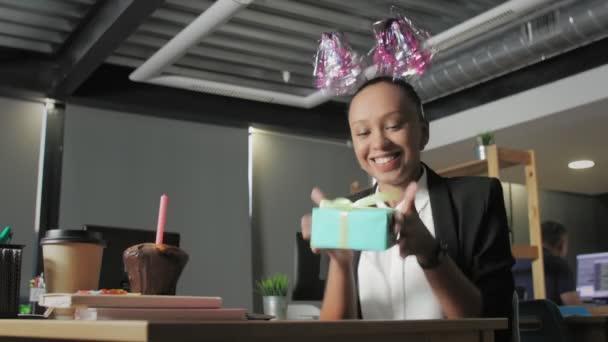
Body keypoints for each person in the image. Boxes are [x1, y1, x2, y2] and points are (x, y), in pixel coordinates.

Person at [300, 76, 515, 341]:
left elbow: (491, 325)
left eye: (393, 125)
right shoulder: (349, 213)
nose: (379, 143)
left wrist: (431, 254)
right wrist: (340, 261)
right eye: (363, 132)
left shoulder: (477, 199)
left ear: (423, 133)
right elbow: (334, 335)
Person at [541, 220, 583, 306]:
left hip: (523, 319)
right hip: (552, 319)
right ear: (562, 243)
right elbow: (574, 308)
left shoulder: (521, 263)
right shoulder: (559, 265)